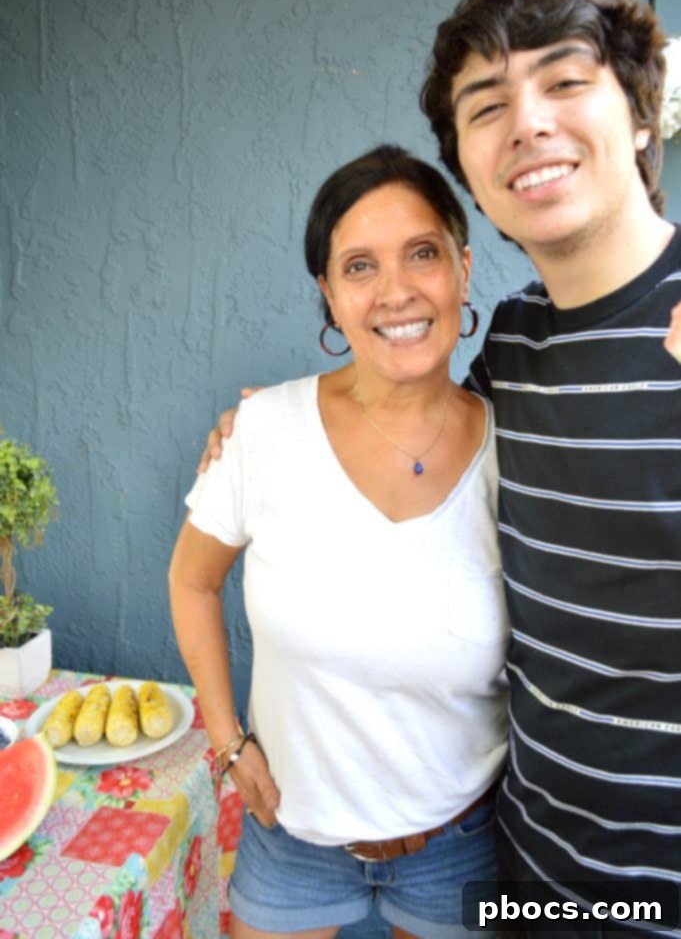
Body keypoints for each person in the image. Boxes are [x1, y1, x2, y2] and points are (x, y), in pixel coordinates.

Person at [207, 0, 681, 936]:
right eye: (487, 105)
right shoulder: (515, 345)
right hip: (528, 871)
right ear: (468, 163)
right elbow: (418, 423)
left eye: (564, 80)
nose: (528, 123)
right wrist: (272, 427)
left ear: (642, 114)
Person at [169, 145, 509, 939]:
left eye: (421, 253)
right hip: (288, 838)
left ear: (462, 270)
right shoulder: (263, 430)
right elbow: (192, 580)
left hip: (461, 843)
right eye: (359, 266)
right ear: (327, 292)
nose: (395, 291)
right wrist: (226, 742)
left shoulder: (518, 454)